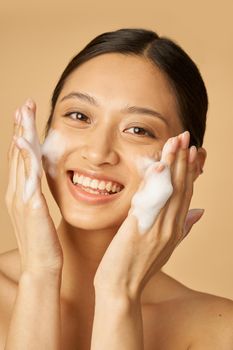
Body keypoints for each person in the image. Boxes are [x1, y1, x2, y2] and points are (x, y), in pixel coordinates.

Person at [0, 28, 232, 349]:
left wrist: (118, 293)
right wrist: (39, 275)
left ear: (190, 165)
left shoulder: (218, 329)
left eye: (138, 130)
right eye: (79, 115)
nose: (98, 154)